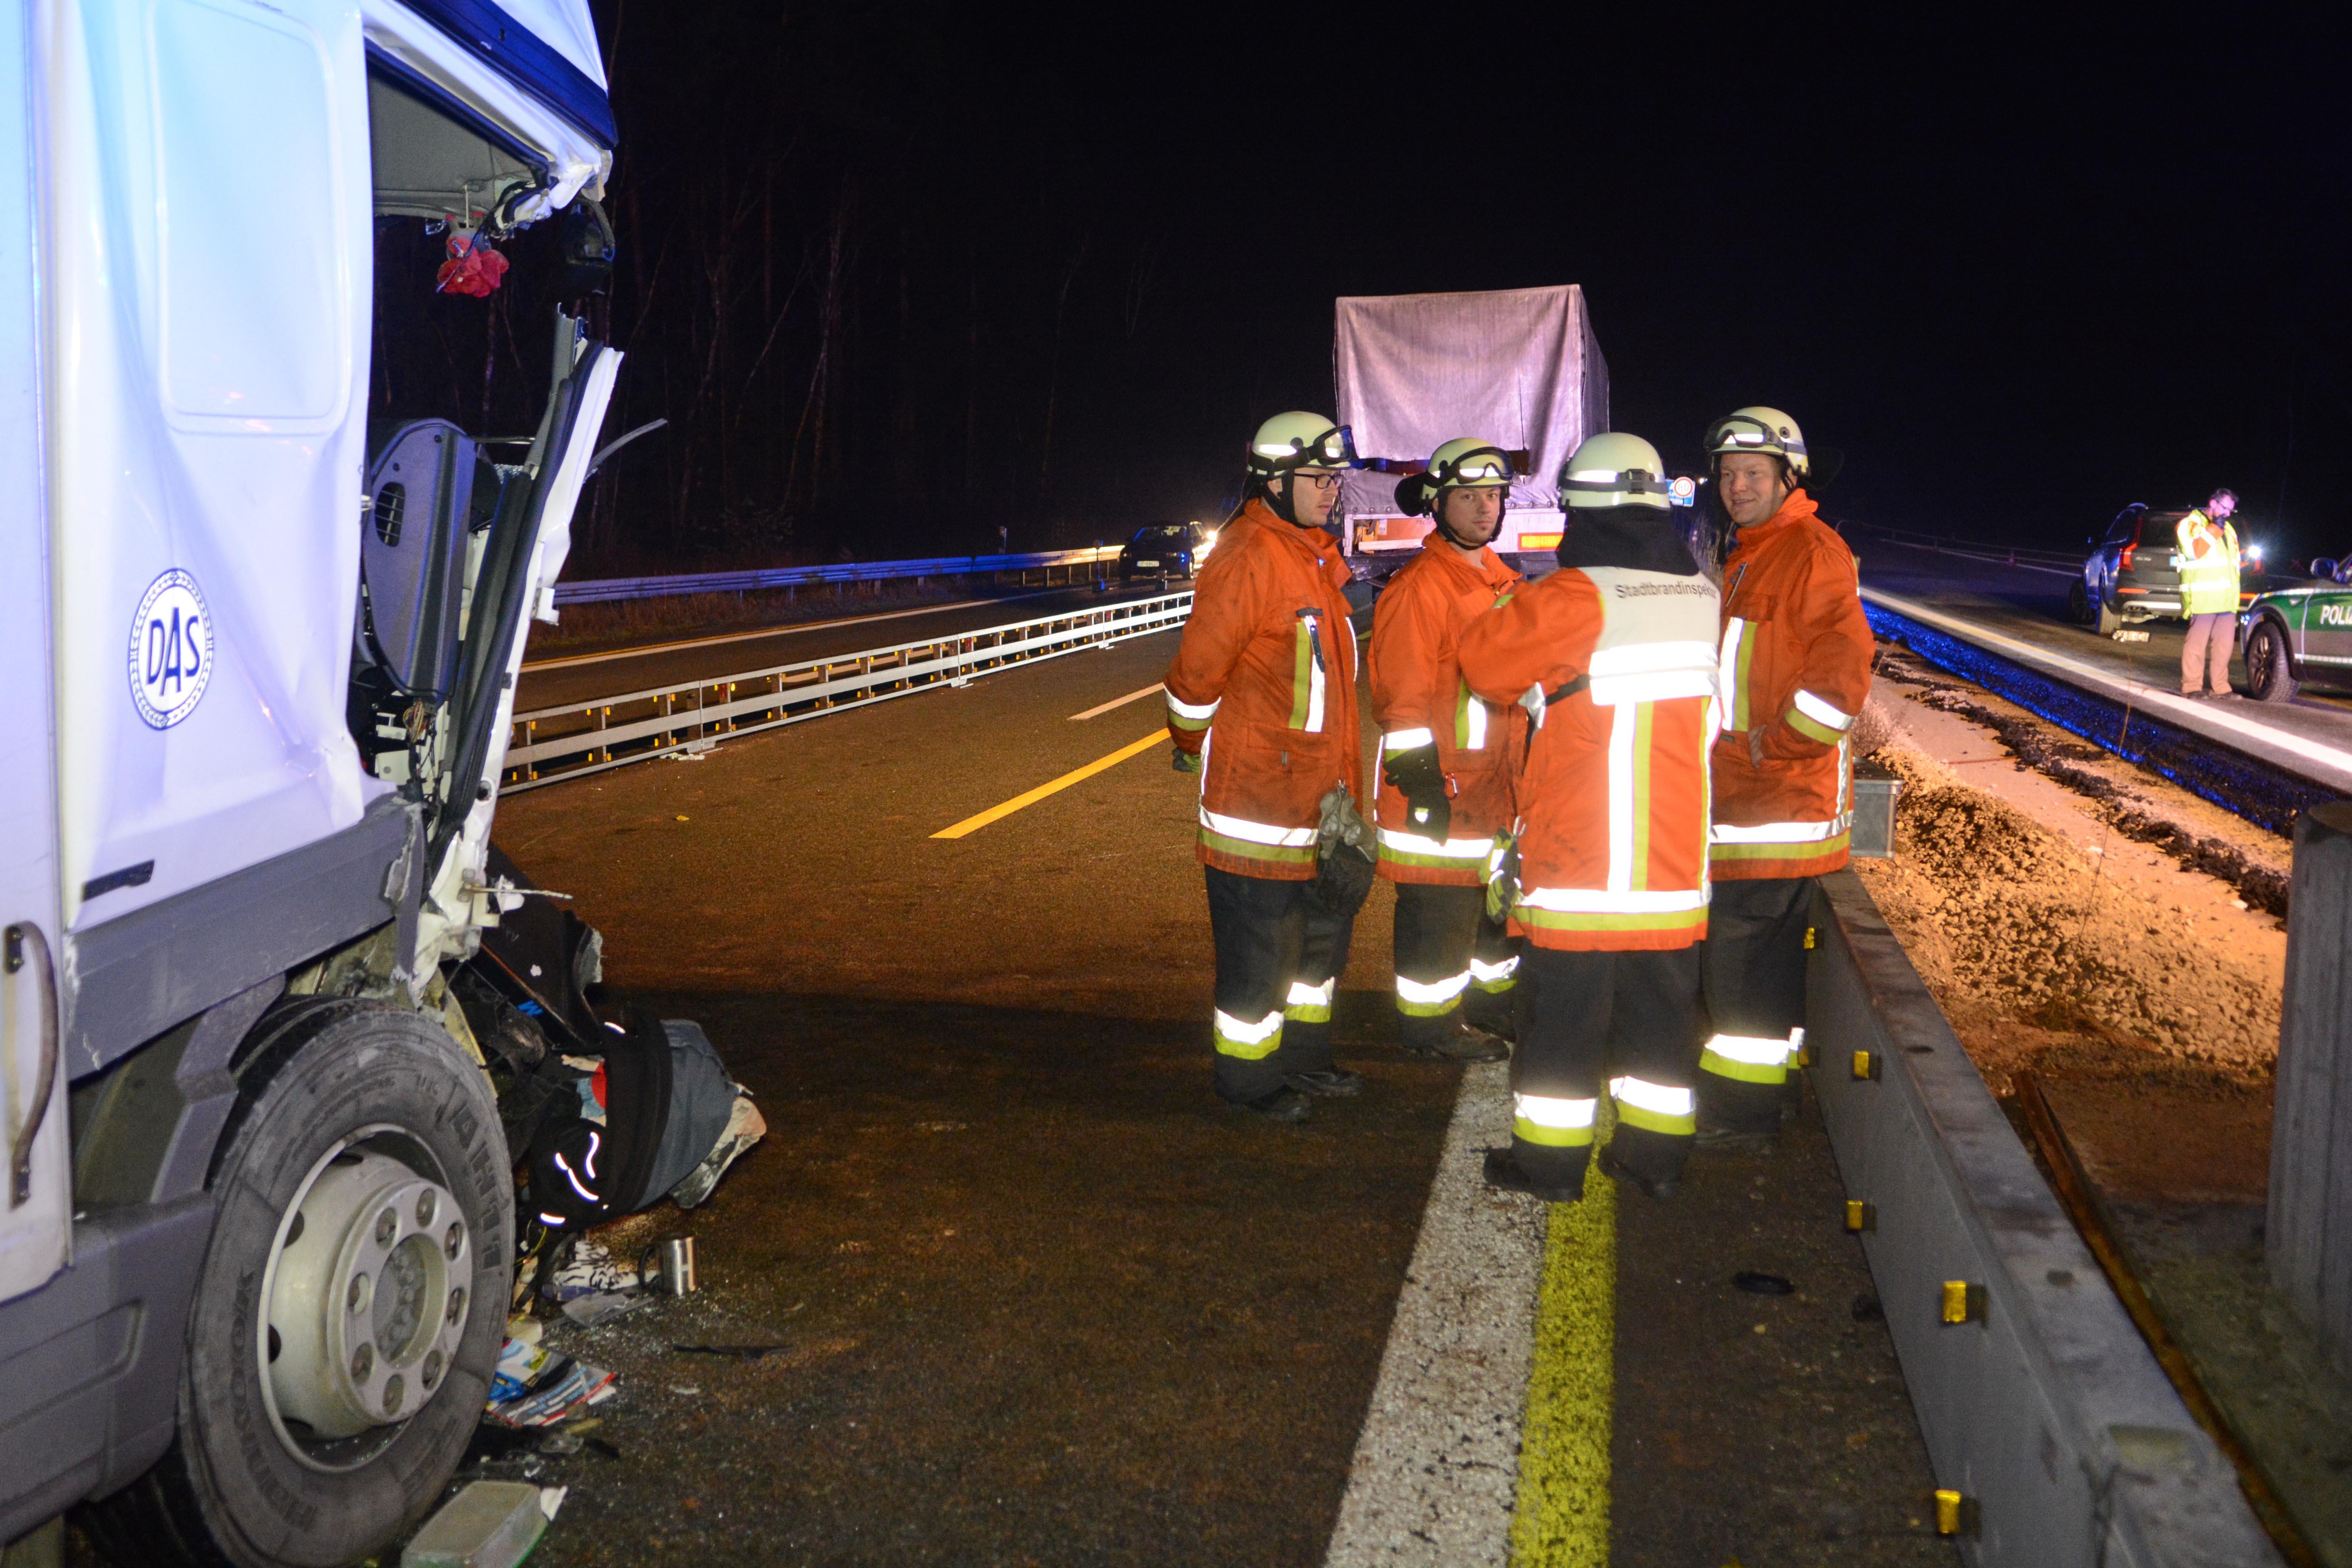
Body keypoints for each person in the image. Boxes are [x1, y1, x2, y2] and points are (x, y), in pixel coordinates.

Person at [1458, 432, 1720, 1202]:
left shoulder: (1572, 596)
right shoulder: (1700, 594)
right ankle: (1654, 1161)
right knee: (1661, 1027)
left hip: (1581, 858)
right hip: (1671, 865)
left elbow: (1485, 668)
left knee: (1560, 1029)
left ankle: (1547, 1167)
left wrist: (1512, 602)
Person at [1163, 412, 1368, 1122]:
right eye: (1317, 478)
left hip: (1315, 797)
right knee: (1259, 953)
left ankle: (1306, 1061)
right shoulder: (1249, 555)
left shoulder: (1310, 554)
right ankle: (1248, 1082)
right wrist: (1187, 743)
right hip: (1255, 800)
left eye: (1334, 479)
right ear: (1274, 481)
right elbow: (1195, 677)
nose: (1330, 491)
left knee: (1317, 944)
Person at [1697, 407, 1875, 1146]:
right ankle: (1764, 1102)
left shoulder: (1809, 551)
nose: (1736, 487)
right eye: (1728, 475)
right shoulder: (1753, 551)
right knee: (1754, 963)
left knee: (1741, 965)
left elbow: (1838, 683)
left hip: (1778, 802)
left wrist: (1772, 748)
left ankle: (1743, 1117)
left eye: (1752, 475)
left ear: (1787, 478)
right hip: (1747, 799)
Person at [1369, 439, 1524, 1064]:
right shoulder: (1421, 588)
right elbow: (1401, 703)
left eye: (1493, 496)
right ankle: (1430, 1029)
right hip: (1443, 790)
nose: (1485, 509)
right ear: (1436, 504)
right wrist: (1422, 784)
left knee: (1492, 913)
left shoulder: (1496, 580)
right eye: (1468, 497)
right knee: (1439, 912)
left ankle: (1488, 1008)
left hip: (1493, 789)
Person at [2177, 489, 2243, 697]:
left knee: (2224, 649)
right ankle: (2192, 686)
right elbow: (2194, 552)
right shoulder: (2191, 524)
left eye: (2231, 510)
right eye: (2225, 508)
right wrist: (2215, 529)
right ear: (2212, 503)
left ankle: (2221, 688)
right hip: (2203, 598)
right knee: (2196, 646)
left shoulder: (2229, 529)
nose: (2228, 514)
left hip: (2226, 599)